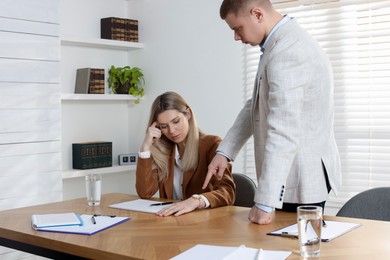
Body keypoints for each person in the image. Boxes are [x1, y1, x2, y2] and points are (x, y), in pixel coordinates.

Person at [203, 0, 342, 224]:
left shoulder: (289, 50)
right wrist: (225, 152)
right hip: (290, 174)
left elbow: (283, 130)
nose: (236, 37)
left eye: (237, 28)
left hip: (300, 177)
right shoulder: (278, 44)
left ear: (257, 14)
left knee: (295, 252)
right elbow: (256, 102)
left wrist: (265, 201)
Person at [136, 91, 236, 217]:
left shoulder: (212, 144)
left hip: (205, 223)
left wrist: (196, 201)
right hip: (171, 223)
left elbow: (227, 192)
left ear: (188, 114)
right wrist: (145, 148)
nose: (172, 131)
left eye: (176, 121)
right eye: (163, 126)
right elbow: (145, 193)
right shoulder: (164, 151)